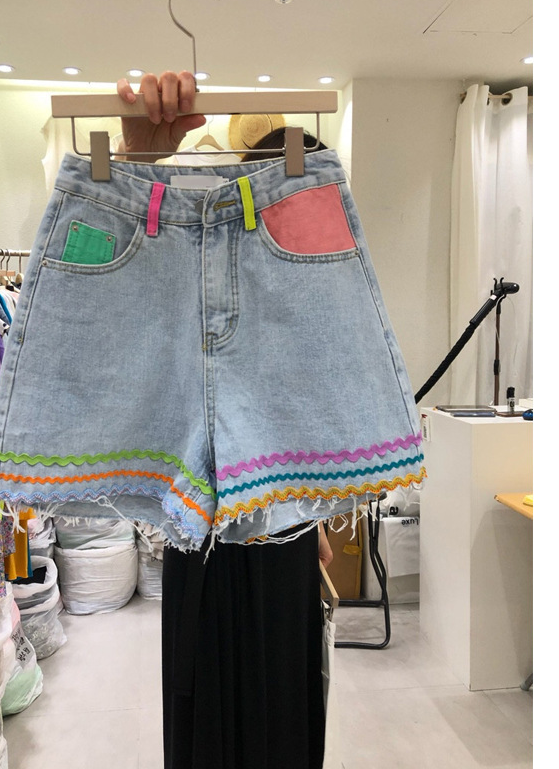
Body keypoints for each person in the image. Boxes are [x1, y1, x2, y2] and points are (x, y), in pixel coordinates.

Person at [116, 70, 335, 769]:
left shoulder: (317, 274)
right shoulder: (202, 260)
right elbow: (130, 310)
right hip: (206, 530)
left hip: (283, 530)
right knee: (211, 711)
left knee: (282, 707)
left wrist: (313, 515)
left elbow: (309, 403)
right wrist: (138, 159)